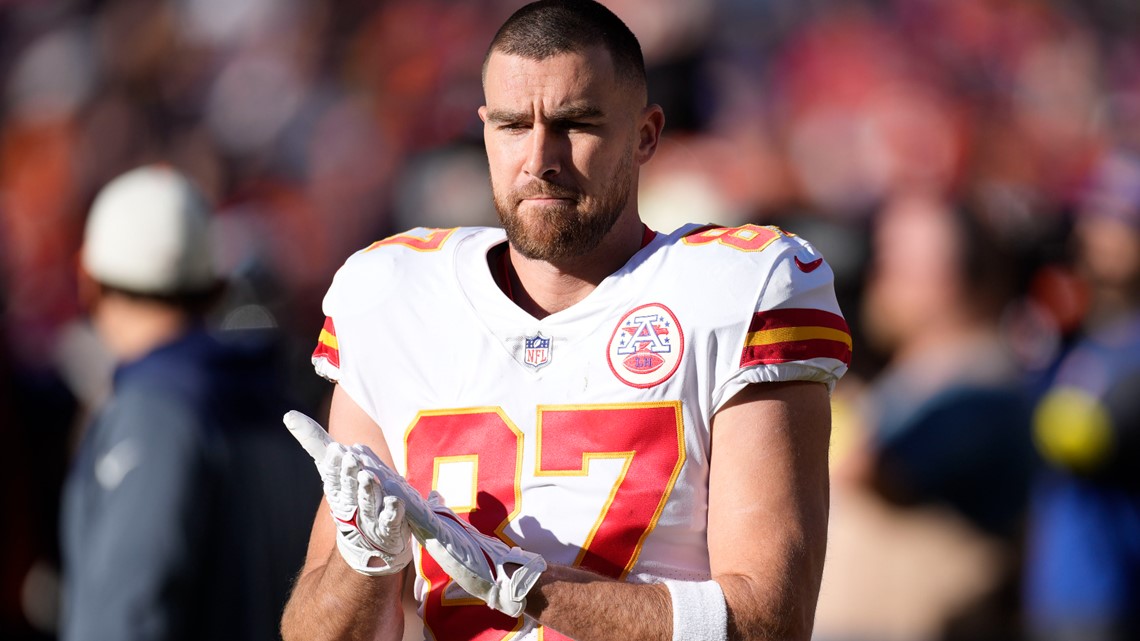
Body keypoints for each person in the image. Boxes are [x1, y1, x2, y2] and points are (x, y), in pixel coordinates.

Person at [280, 2, 850, 640]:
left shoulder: (740, 288)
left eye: (575, 123)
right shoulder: (391, 294)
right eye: (513, 124)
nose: (539, 158)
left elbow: (770, 622)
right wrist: (366, 561)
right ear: (485, 130)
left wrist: (525, 587)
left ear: (645, 135)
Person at [60, 165, 320, 640]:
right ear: (217, 288)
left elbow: (124, 614)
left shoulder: (153, 413)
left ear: (87, 279)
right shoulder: (280, 406)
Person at [1022, 150, 1140, 641]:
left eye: (1117, 219)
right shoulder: (1089, 335)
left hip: (1111, 593)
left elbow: (1080, 436)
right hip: (1063, 591)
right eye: (1094, 215)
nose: (1094, 233)